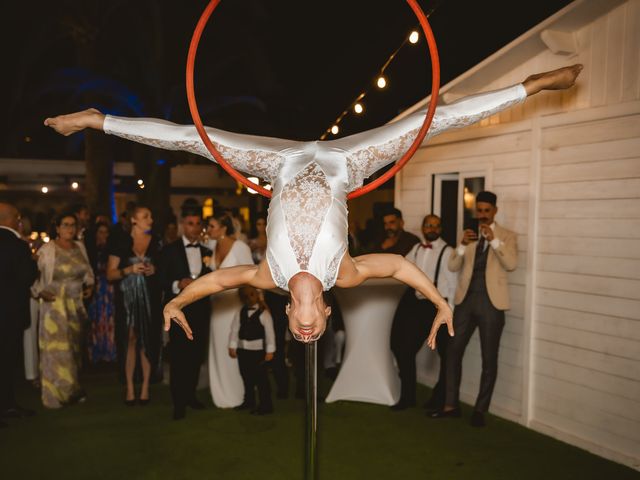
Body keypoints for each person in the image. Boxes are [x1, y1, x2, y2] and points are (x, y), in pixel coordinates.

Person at [44, 65, 583, 346]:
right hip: (348, 161)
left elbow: (211, 284)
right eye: (315, 332)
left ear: (291, 314)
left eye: (301, 333)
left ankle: (99, 119)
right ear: (324, 314)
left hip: (278, 163)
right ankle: (528, 88)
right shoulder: (343, 276)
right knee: (432, 121)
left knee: (192, 136)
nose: (307, 332)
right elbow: (396, 266)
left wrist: (176, 303)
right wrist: (440, 301)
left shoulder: (267, 276)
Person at [430, 191, 516, 427]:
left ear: (495, 211)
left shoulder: (507, 236)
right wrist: (461, 245)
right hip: (465, 302)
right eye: (479, 210)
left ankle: (480, 409)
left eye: (487, 210)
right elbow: (452, 264)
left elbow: (510, 264)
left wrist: (493, 240)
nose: (483, 215)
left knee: (489, 358)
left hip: (492, 304)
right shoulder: (468, 235)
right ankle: (450, 405)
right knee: (452, 351)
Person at [390, 214, 456, 412]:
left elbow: (453, 284)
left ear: (441, 229)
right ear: (423, 227)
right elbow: (401, 267)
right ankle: (407, 396)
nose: (432, 229)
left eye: (436, 225)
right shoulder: (417, 249)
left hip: (439, 307)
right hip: (418, 306)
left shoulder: (448, 251)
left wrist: (449, 310)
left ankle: (439, 399)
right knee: (405, 350)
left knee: (446, 356)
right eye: (428, 225)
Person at [32, 212, 94, 408]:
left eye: (73, 225)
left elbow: (88, 273)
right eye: (65, 225)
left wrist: (90, 286)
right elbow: (32, 275)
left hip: (76, 306)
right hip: (54, 307)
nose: (69, 229)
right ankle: (55, 395)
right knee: (57, 351)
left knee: (75, 350)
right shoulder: (47, 250)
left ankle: (73, 390)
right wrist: (39, 292)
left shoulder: (80, 247)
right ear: (57, 228)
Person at [106, 205, 163, 405]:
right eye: (145, 216)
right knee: (130, 339)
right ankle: (130, 387)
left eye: (151, 216)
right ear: (133, 220)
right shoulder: (119, 241)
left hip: (150, 296)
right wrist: (129, 269)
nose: (151, 219)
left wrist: (155, 269)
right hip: (127, 298)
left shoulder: (156, 241)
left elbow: (164, 270)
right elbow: (110, 273)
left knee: (147, 339)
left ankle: (146, 387)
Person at [160, 208, 212, 420]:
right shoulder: (169, 250)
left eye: (198, 223)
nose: (195, 227)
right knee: (179, 358)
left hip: (201, 311)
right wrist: (177, 284)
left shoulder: (207, 252)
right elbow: (160, 279)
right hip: (177, 310)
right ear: (183, 225)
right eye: (190, 223)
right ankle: (178, 403)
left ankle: (191, 396)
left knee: (195, 356)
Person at [205, 213, 254, 407]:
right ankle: (220, 392)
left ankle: (239, 392)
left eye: (211, 226)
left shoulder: (240, 247)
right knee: (218, 346)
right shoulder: (211, 246)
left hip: (235, 305)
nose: (208, 230)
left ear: (224, 228)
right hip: (217, 307)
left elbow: (251, 273)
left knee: (233, 346)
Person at [0, 203, 38, 426]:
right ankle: (7, 405)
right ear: (13, 219)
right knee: (7, 361)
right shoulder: (17, 244)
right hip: (10, 314)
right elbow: (28, 277)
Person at [229, 286, 276, 415]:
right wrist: (232, 346)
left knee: (261, 380)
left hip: (258, 352)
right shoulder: (240, 312)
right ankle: (249, 401)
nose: (248, 298)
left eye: (251, 295)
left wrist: (270, 351)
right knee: (246, 377)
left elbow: (270, 333)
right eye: (245, 296)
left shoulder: (264, 313)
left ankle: (266, 405)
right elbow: (234, 330)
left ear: (257, 295)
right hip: (243, 350)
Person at [86, 222, 117, 364]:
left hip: (109, 288)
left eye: (106, 232)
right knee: (96, 318)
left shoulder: (112, 250)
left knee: (109, 318)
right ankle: (96, 351)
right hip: (96, 288)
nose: (103, 235)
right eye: (101, 232)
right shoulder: (90, 250)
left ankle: (110, 351)